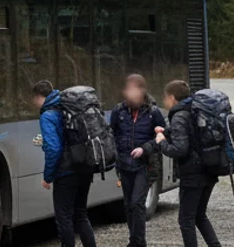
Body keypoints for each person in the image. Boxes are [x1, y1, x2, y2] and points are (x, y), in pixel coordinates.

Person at [156, 80, 221, 247]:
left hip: (192, 174)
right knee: (200, 215)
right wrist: (168, 133)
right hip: (210, 169)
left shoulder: (179, 116)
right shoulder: (195, 110)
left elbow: (180, 149)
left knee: (186, 220)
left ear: (171, 97)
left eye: (165, 97)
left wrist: (162, 142)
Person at [34, 80, 97, 247]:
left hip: (66, 173)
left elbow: (53, 149)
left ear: (40, 97)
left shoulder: (47, 115)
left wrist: (47, 177)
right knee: (81, 215)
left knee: (64, 218)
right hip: (85, 166)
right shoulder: (69, 108)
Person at [110, 74, 166, 247]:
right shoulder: (118, 111)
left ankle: (135, 242)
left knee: (137, 204)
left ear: (142, 91)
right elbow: (111, 134)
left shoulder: (153, 113)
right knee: (128, 206)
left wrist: (145, 149)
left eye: (133, 89)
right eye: (128, 89)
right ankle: (139, 242)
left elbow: (163, 138)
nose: (129, 94)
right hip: (124, 166)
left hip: (145, 165)